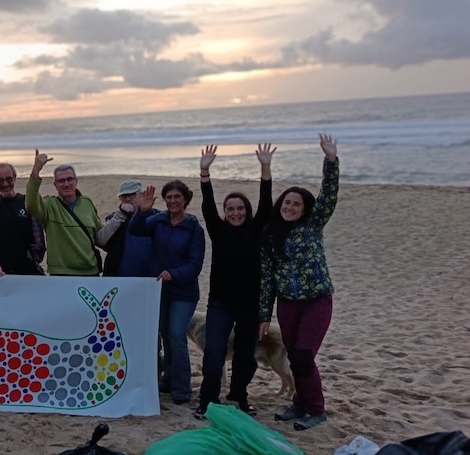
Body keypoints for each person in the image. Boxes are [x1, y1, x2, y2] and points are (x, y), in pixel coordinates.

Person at [259, 134, 339, 431]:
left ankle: (316, 409)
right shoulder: (270, 235)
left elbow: (328, 195)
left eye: (296, 204)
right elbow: (267, 278)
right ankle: (299, 403)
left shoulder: (313, 225)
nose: (290, 207)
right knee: (294, 355)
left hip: (317, 301)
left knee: (304, 354)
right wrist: (264, 316)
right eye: (287, 202)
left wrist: (330, 160)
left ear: (305, 209)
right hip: (287, 304)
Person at [194, 144, 276, 420]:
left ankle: (239, 395)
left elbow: (266, 202)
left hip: (249, 304)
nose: (236, 213)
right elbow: (207, 205)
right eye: (231, 209)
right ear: (225, 211)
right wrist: (205, 172)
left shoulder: (257, 229)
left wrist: (265, 168)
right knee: (214, 353)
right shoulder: (218, 230)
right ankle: (208, 401)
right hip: (220, 303)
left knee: (245, 355)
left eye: (240, 208)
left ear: (247, 210)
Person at [130, 181, 205, 404]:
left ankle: (182, 388)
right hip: (159, 290)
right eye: (169, 197)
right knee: (164, 335)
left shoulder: (194, 228)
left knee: (176, 336)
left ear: (185, 199)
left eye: (177, 197)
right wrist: (142, 212)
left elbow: (195, 264)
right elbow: (136, 229)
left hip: (183, 291)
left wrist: (174, 273)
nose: (173, 201)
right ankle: (168, 379)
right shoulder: (159, 220)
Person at [26, 150, 102, 276]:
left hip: (90, 272)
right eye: (61, 181)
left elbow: (99, 235)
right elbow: (31, 204)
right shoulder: (49, 205)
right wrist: (36, 171)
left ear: (76, 181)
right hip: (61, 273)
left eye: (70, 179)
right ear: (55, 185)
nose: (66, 184)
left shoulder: (87, 203)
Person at [95, 179, 156, 277]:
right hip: (119, 278)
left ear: (142, 195)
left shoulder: (155, 216)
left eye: (132, 195)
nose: (127, 199)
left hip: (148, 279)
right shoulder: (115, 218)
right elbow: (101, 240)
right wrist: (120, 215)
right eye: (123, 196)